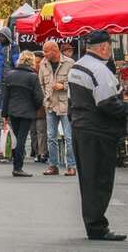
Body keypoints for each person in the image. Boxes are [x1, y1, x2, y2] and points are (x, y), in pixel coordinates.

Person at [68, 30, 127, 242]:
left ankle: (93, 223)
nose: (110, 51)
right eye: (110, 47)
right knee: (101, 181)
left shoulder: (77, 66)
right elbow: (108, 104)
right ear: (103, 47)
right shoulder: (99, 70)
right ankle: (97, 226)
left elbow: (71, 102)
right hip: (98, 131)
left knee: (88, 179)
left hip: (81, 128)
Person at [2, 50, 43, 177]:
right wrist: (35, 108)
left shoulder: (10, 75)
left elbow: (6, 97)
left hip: (13, 110)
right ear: (31, 61)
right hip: (27, 111)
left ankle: (16, 165)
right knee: (21, 139)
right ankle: (18, 167)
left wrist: (5, 115)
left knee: (16, 137)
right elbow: (38, 97)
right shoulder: (33, 77)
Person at [39, 41, 76, 176]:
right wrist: (45, 99)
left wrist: (63, 86)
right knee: (51, 136)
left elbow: (76, 82)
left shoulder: (70, 63)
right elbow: (41, 84)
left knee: (69, 137)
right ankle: (53, 165)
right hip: (50, 104)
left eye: (46, 51)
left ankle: (71, 166)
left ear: (54, 51)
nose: (44, 54)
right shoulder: (43, 64)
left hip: (65, 104)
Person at [0, 26, 20, 148]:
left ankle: (11, 140)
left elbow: (16, 63)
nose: (1, 38)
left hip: (10, 82)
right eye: (0, 36)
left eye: (3, 36)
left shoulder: (14, 47)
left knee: (9, 111)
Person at [30, 52, 48, 163]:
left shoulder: (46, 73)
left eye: (38, 62)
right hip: (31, 107)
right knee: (33, 132)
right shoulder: (30, 74)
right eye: (34, 62)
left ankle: (42, 153)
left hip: (41, 107)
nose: (36, 64)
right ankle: (36, 152)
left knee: (41, 131)